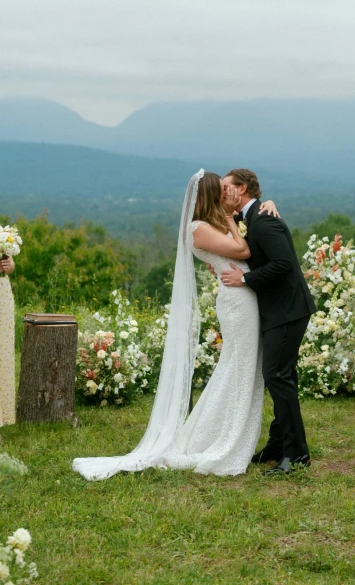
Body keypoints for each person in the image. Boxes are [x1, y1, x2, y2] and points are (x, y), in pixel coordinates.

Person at [73, 170, 276, 480]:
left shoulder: (214, 223)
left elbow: (241, 247)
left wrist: (250, 209)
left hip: (243, 300)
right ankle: (215, 439)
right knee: (236, 368)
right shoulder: (199, 228)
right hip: (237, 304)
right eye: (222, 189)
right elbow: (243, 251)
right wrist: (232, 217)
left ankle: (227, 434)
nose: (228, 192)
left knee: (242, 367)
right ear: (211, 194)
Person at [220, 168, 316, 475]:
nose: (222, 192)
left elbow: (284, 264)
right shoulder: (251, 218)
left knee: (276, 375)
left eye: (226, 187)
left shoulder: (264, 219)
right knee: (280, 375)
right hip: (277, 310)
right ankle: (278, 445)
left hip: (288, 310)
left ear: (242, 188)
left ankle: (297, 454)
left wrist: (245, 278)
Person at [0, 255, 16, 428]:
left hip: (2, 293)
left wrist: (9, 265)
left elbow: (10, 263)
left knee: (3, 353)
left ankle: (4, 413)